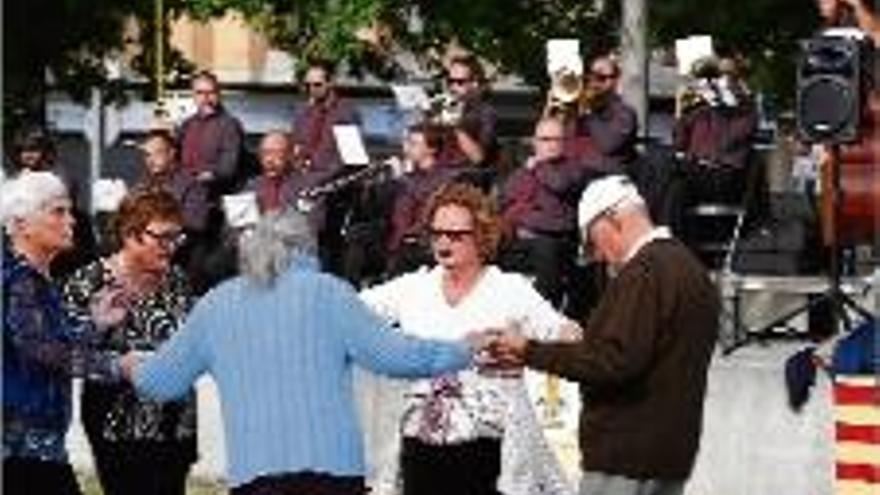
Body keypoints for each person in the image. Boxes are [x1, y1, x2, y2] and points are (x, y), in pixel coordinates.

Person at [123, 208, 483, 495]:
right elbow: (398, 355)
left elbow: (161, 381)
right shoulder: (329, 293)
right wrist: (464, 349)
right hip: (333, 472)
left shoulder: (216, 305)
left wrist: (128, 365)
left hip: (255, 475)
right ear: (306, 246)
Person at [486, 175, 720, 495]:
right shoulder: (689, 268)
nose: (596, 255)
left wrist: (529, 350)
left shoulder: (644, 273)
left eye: (591, 241)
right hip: (669, 455)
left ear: (612, 219)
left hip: (626, 457)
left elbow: (611, 361)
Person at [359, 182, 579, 495]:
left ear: (481, 236)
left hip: (486, 451)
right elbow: (351, 310)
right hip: (419, 447)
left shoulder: (509, 290)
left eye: (455, 235)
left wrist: (525, 352)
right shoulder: (413, 287)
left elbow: (567, 336)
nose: (443, 242)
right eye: (436, 233)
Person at [61, 190, 197, 495]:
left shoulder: (177, 279)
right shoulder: (89, 281)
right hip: (116, 422)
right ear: (131, 234)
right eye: (162, 237)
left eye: (177, 237)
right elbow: (65, 354)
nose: (171, 246)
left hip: (176, 424)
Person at [2, 171, 126, 495]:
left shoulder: (35, 281)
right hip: (20, 452)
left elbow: (52, 345)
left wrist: (95, 322)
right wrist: (117, 366)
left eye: (69, 211)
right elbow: (40, 348)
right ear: (21, 224)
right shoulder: (20, 280)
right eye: (58, 211)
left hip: (38, 449)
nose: (71, 221)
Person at [499, 117, 595, 310]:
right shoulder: (524, 170)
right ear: (534, 142)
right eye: (545, 139)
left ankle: (541, 316)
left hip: (555, 242)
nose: (551, 145)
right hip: (521, 241)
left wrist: (537, 166)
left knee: (548, 256)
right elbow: (505, 199)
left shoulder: (574, 168)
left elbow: (559, 185)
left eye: (556, 139)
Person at [386, 123, 460, 275]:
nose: (406, 148)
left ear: (431, 149)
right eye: (406, 142)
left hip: (423, 240)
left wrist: (401, 179)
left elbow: (426, 201)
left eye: (413, 143)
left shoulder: (446, 176)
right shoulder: (411, 176)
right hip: (397, 237)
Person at [178, 70, 247, 196]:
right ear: (193, 95)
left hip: (215, 196)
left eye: (211, 92)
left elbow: (228, 168)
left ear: (218, 94)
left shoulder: (229, 125)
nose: (205, 98)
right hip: (185, 192)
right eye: (200, 93)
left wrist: (206, 175)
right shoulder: (186, 125)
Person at [571, 55, 638, 174]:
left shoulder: (625, 113)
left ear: (616, 80)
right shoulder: (579, 107)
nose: (594, 82)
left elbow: (608, 145)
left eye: (601, 77)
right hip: (576, 177)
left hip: (608, 179)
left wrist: (589, 113)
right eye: (591, 75)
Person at [292, 58, 360, 175]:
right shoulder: (303, 113)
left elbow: (352, 156)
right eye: (308, 86)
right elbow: (297, 148)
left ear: (330, 83)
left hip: (332, 179)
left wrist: (316, 165)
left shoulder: (345, 112)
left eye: (317, 85)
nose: (312, 90)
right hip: (305, 179)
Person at [437, 54, 500, 173]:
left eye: (459, 82)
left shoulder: (486, 112)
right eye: (450, 81)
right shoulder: (447, 105)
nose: (453, 87)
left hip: (466, 177)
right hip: (439, 173)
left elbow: (478, 157)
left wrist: (456, 127)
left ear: (474, 83)